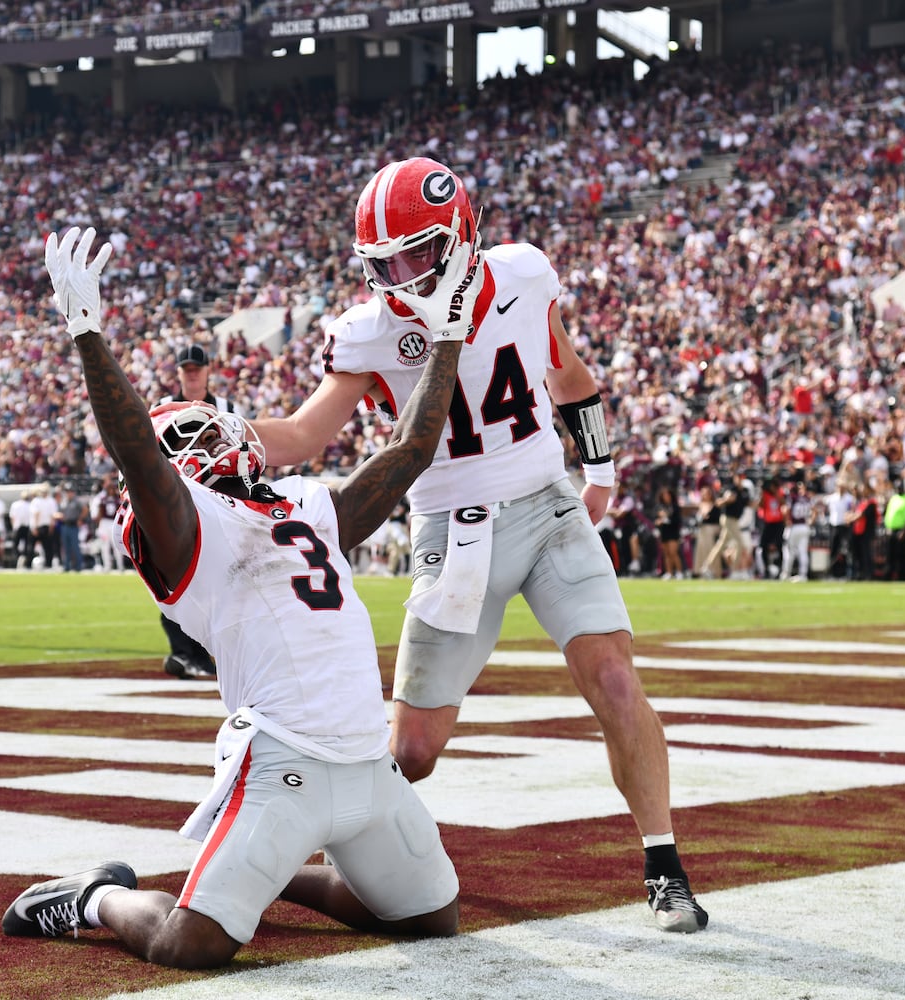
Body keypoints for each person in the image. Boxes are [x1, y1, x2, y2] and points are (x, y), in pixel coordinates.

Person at [247, 158, 707, 932]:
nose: (401, 273)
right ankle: (319, 858)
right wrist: (201, 436)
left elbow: (564, 372)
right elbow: (303, 434)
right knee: (416, 750)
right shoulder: (370, 328)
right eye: (384, 261)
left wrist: (597, 465)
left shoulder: (523, 273)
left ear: (459, 231)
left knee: (615, 680)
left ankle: (665, 868)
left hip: (548, 506)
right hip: (453, 531)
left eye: (417, 252)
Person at [1, 226, 466, 968]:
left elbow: (408, 452)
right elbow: (139, 460)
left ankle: (265, 872)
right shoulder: (184, 522)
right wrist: (87, 333)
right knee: (191, 946)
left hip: (365, 762)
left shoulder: (301, 503)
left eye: (210, 424)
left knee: (427, 920)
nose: (208, 434)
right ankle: (92, 897)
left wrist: (445, 333)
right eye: (185, 433)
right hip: (282, 760)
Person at [153, 344, 238, 679]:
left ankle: (204, 654)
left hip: (217, 500)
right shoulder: (163, 408)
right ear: (179, 373)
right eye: (186, 369)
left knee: (218, 582)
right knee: (175, 580)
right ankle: (186, 653)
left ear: (207, 371)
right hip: (179, 502)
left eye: (196, 369)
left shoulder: (229, 408)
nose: (192, 374)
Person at [882, 479, 905, 581]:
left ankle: (903, 576)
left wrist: (904, 531)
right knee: (890, 554)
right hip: (892, 529)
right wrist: (888, 527)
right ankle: (889, 574)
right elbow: (889, 514)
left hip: (903, 531)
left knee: (903, 555)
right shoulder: (894, 498)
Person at [8, 488, 32, 569]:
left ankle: (18, 560)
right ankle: (23, 560)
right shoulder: (29, 505)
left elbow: (12, 517)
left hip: (19, 527)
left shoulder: (16, 504)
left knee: (16, 545)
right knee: (25, 546)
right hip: (25, 527)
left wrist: (13, 526)